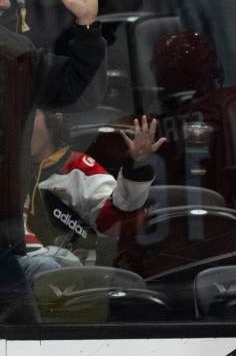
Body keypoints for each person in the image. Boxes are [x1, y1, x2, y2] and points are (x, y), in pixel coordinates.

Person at [1, 0, 105, 323]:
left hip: (4, 240)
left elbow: (76, 92)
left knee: (28, 339)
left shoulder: (16, 56)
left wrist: (87, 25)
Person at [20, 112, 162, 280]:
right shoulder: (9, 174)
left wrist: (137, 166)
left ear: (52, 120)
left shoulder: (78, 168)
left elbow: (115, 217)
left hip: (75, 285)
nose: (23, 125)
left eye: (32, 114)